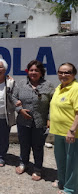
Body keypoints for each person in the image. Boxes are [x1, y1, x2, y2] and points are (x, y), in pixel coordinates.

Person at [13, 60, 55, 181]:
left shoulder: (48, 86)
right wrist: (19, 109)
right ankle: (23, 163)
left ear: (41, 72)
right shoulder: (21, 84)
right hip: (23, 121)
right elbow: (13, 97)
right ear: (28, 71)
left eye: (36, 70)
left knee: (38, 146)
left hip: (40, 122)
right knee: (24, 144)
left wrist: (49, 119)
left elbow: (53, 104)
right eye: (31, 70)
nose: (33, 72)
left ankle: (37, 168)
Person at [50, 62, 78, 194]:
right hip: (58, 131)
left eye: (67, 72)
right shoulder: (59, 87)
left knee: (72, 162)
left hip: (71, 133)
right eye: (60, 72)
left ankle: (70, 189)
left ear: (74, 74)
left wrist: (72, 130)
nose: (63, 75)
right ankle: (62, 181)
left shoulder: (76, 88)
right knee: (61, 159)